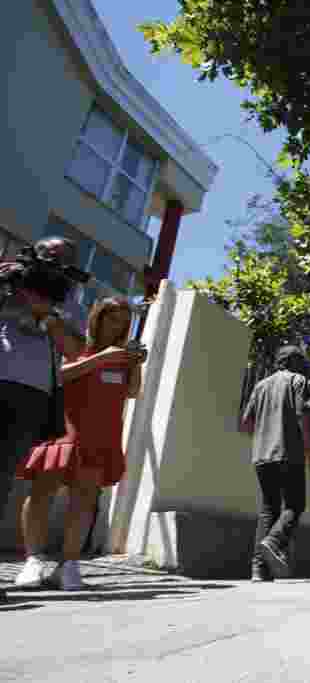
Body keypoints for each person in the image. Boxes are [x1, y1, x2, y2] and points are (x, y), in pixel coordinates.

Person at [14, 297, 145, 590]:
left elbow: (133, 391)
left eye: (124, 321)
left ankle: (69, 565)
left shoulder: (123, 356)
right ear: (98, 318)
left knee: (84, 499)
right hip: (65, 430)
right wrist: (101, 359)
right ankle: (34, 560)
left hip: (102, 434)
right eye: (113, 318)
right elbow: (60, 374)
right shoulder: (76, 344)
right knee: (43, 492)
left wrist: (134, 364)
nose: (118, 326)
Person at [0, 237, 87, 602]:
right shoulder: (9, 278)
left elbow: (74, 349)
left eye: (64, 259)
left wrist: (47, 315)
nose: (55, 262)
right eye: (50, 255)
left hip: (30, 396)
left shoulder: (68, 301)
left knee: (1, 477)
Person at [241, 345, 310, 581]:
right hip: (288, 453)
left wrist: (265, 431)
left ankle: (259, 570)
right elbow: (302, 415)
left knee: (268, 510)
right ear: (295, 361)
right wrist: (309, 448)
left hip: (261, 456)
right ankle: (274, 541)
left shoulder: (260, 385)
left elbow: (246, 422)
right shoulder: (298, 380)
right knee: (295, 505)